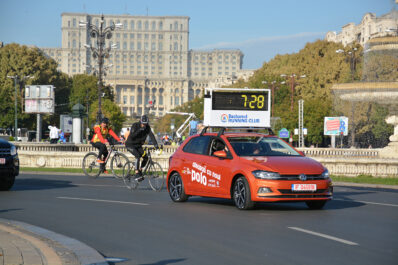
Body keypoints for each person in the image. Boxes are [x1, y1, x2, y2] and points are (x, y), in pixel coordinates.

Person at [125, 115, 159, 181]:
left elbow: (151, 136)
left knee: (146, 157)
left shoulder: (147, 127)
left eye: (145, 124)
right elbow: (132, 136)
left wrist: (156, 145)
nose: (144, 125)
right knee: (138, 156)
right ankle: (136, 172)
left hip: (138, 145)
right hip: (130, 144)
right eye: (143, 124)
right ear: (140, 122)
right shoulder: (135, 125)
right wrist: (139, 130)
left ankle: (140, 169)